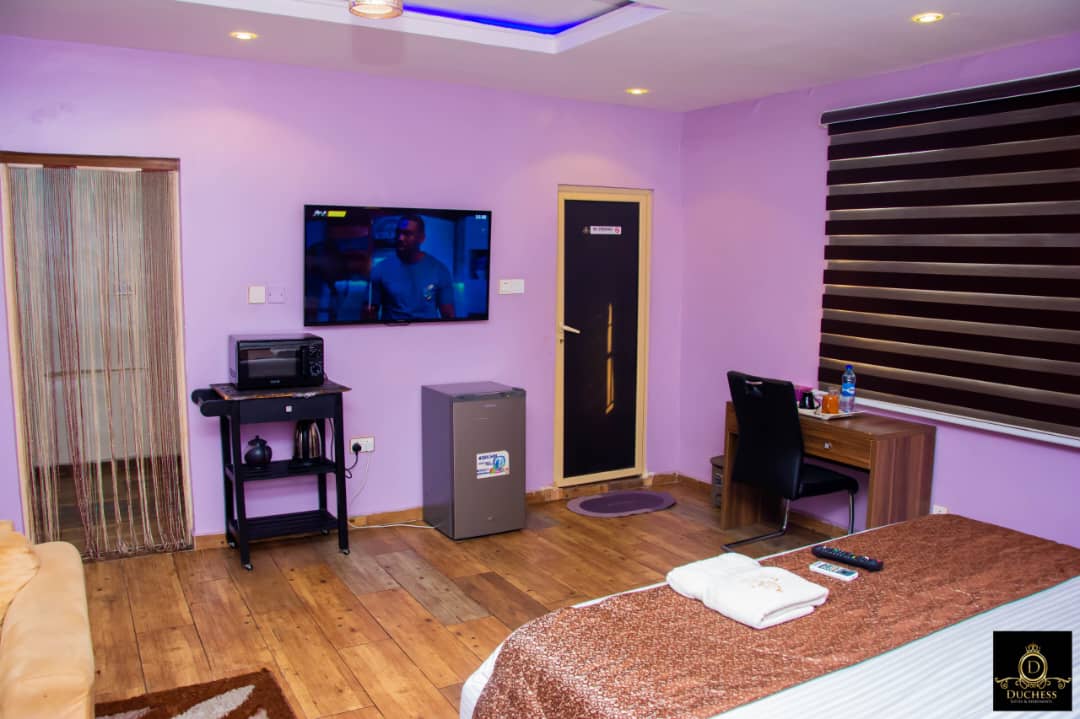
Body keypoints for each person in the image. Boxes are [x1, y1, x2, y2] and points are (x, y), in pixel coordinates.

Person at [367, 214, 455, 321]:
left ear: (421, 238)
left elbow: (448, 315)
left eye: (407, 234)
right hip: (393, 330)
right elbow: (369, 315)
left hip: (428, 331)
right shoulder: (380, 269)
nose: (400, 238)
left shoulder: (439, 270)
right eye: (398, 233)